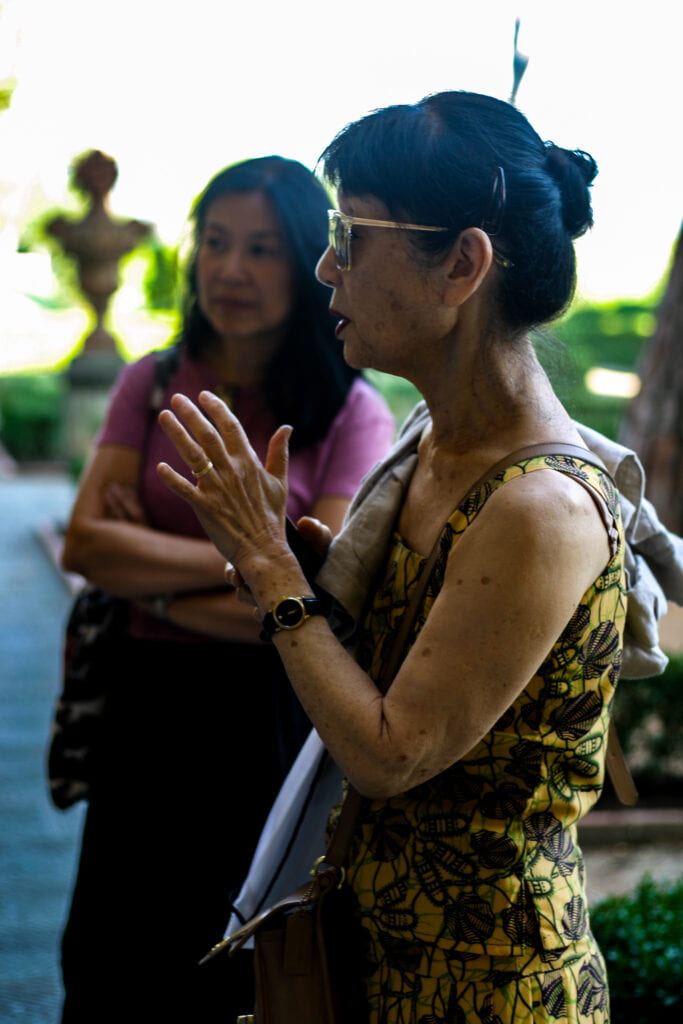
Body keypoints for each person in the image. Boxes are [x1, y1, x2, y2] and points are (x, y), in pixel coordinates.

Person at [157, 93, 629, 1023]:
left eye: (351, 233)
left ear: (461, 263)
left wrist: (272, 572)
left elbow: (390, 752)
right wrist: (318, 583)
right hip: (378, 949)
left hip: (486, 980)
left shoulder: (538, 503)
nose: (324, 266)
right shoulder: (436, 442)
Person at [58, 155, 395, 1024]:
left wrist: (157, 580)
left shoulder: (351, 413)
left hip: (266, 712)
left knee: (239, 964)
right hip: (145, 705)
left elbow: (320, 605)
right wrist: (254, 561)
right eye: (214, 243)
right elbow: (89, 542)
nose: (230, 269)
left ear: (307, 260)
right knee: (112, 952)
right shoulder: (154, 379)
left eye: (259, 249)